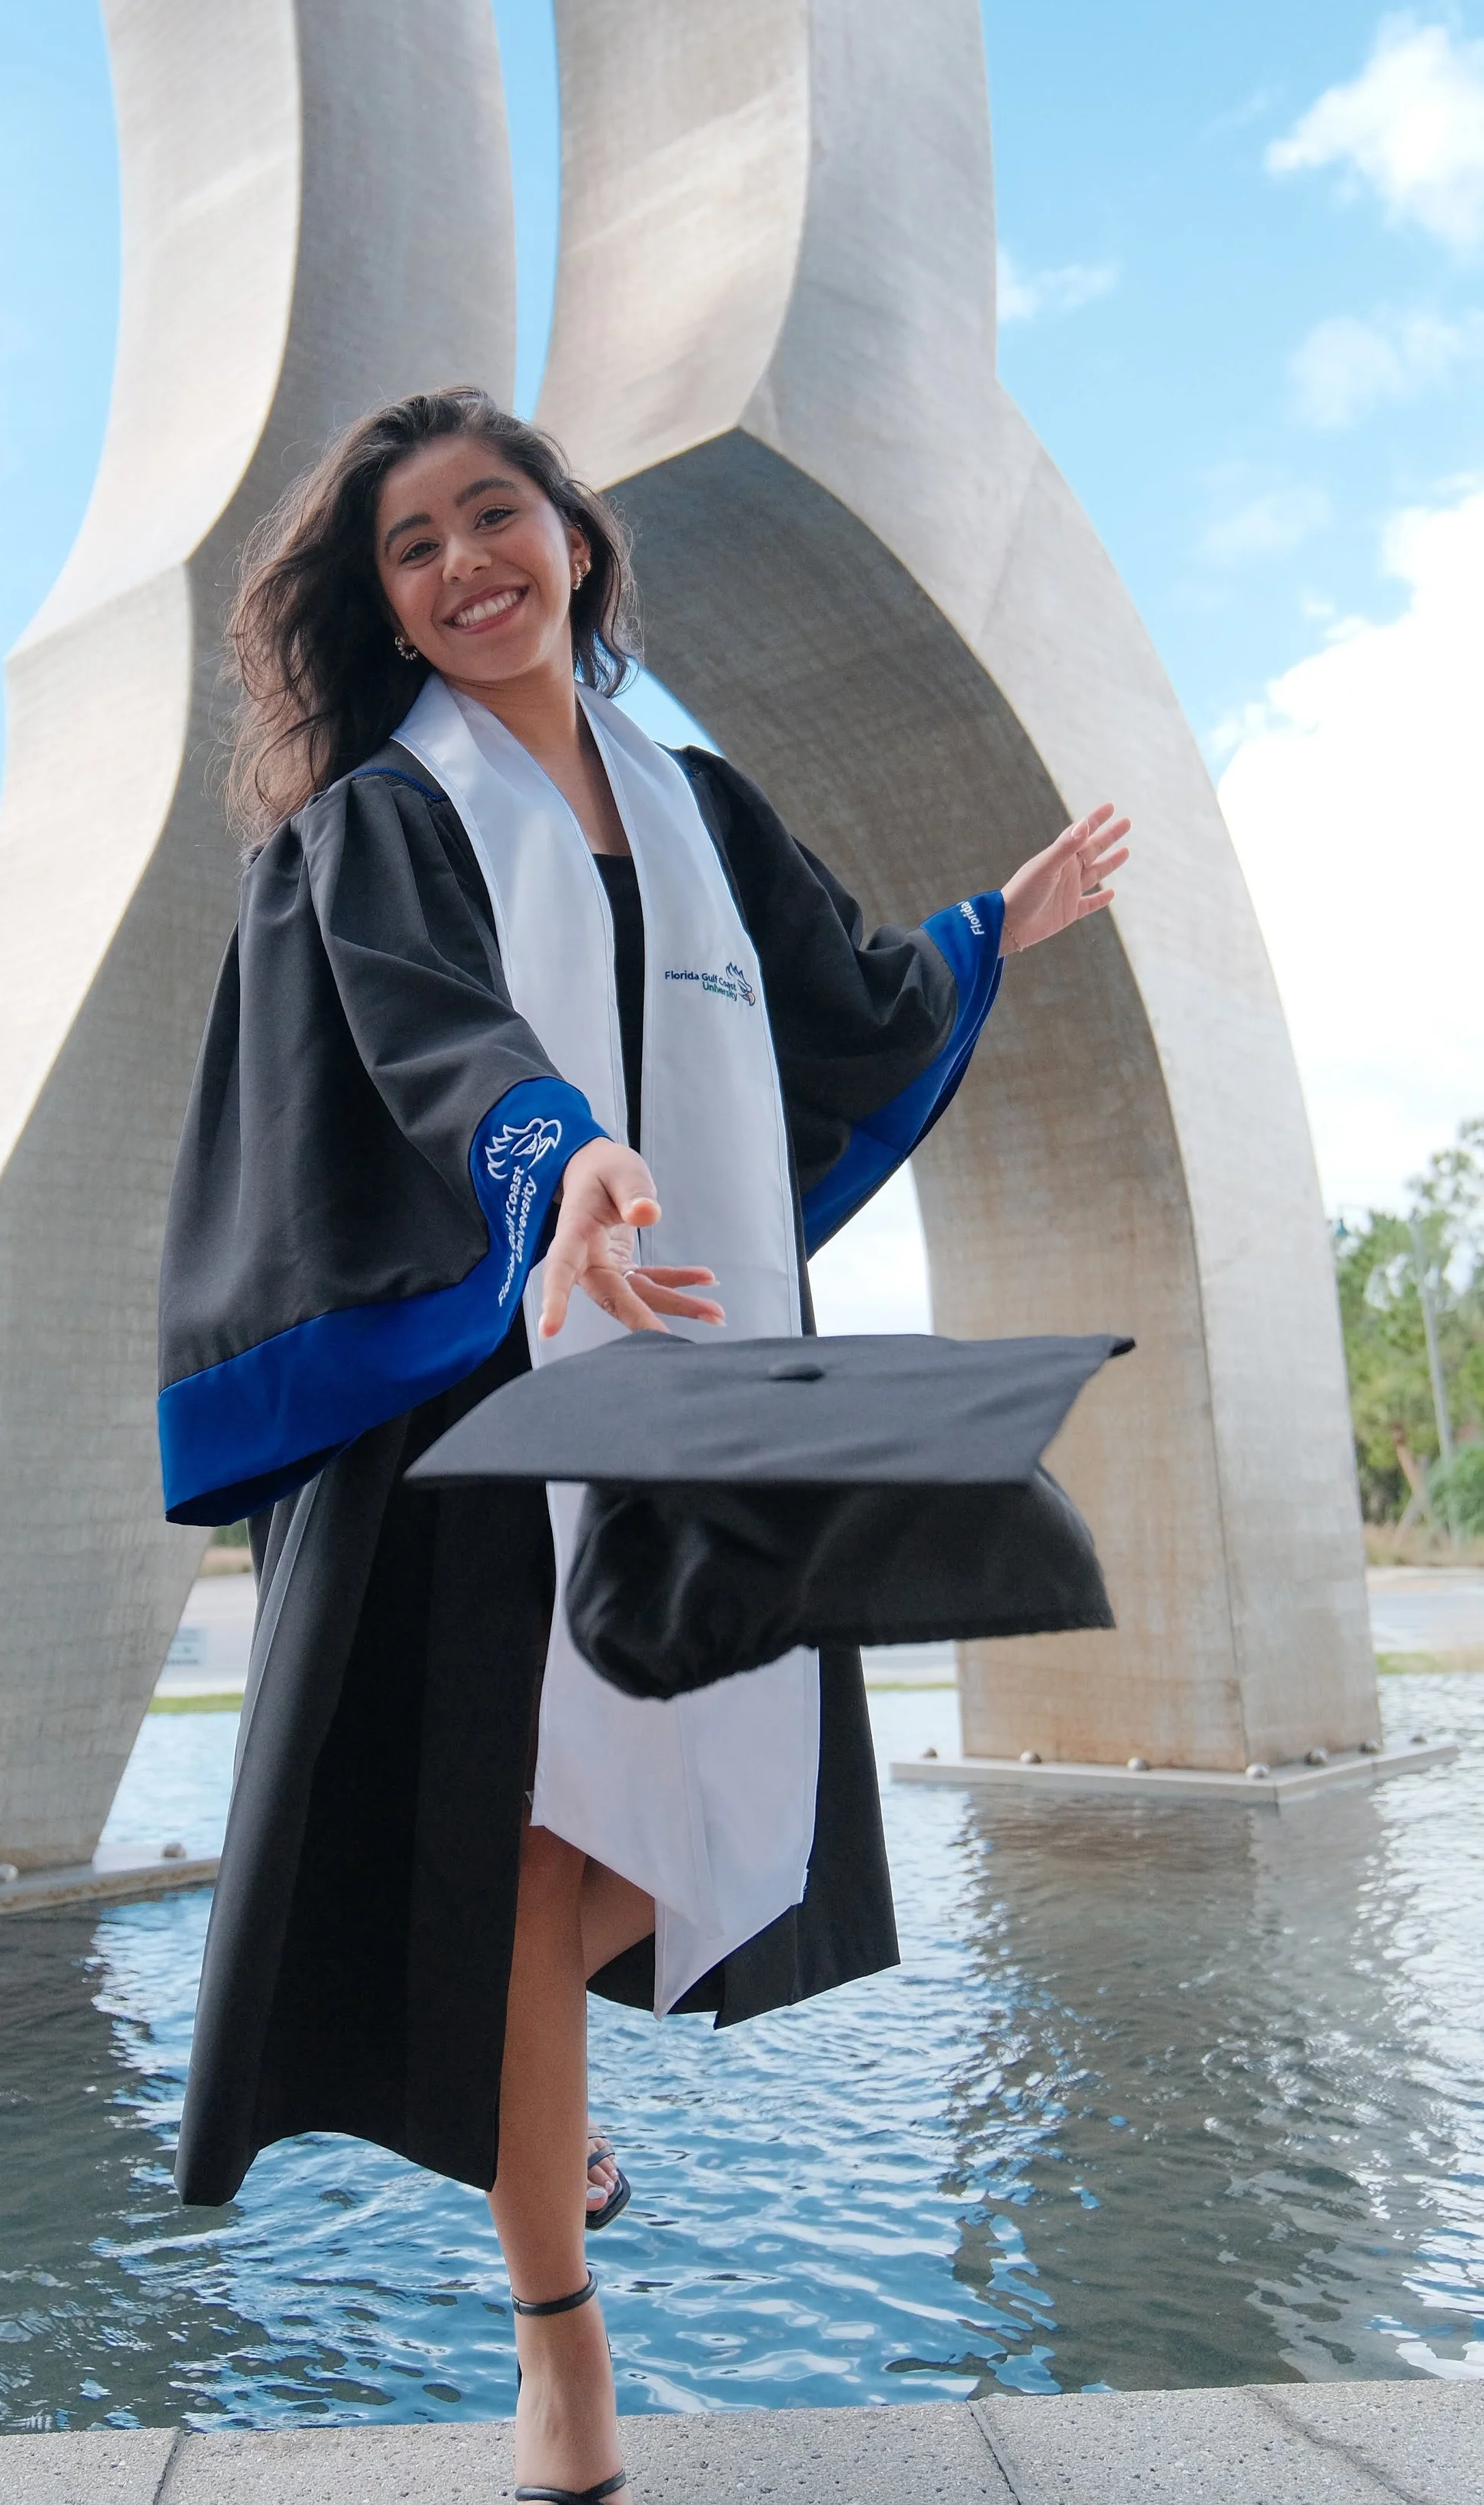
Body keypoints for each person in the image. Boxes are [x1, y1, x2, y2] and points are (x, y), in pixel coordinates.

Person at [157, 386, 1130, 2505]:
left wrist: (987, 935)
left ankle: (515, 2061)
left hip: (689, 1377)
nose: (459, 564)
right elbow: (429, 1031)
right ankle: (560, 2350)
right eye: (410, 547)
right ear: (385, 608)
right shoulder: (376, 826)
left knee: (622, 1849)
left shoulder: (694, 799)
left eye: (491, 516)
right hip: (478, 1405)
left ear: (574, 540)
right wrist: (560, 1157)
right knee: (514, 1851)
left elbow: (837, 997)